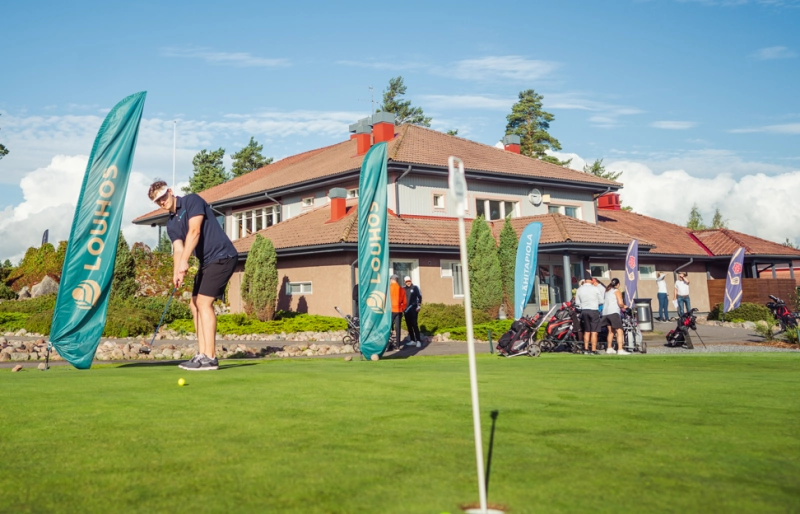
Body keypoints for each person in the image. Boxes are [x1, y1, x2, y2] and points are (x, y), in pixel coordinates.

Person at [148, 180, 238, 371]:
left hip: (223, 255)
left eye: (163, 196)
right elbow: (178, 250)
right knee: (194, 303)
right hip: (207, 262)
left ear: (170, 191)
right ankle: (202, 354)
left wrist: (185, 261)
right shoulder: (171, 224)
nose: (162, 201)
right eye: (158, 201)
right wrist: (176, 273)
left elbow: (195, 231)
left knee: (204, 303)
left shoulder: (192, 201)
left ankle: (211, 357)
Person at [575, 277, 604, 354]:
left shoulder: (579, 289)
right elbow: (601, 300)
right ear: (591, 281)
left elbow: (577, 302)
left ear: (584, 281)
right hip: (593, 310)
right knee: (594, 331)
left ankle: (586, 349)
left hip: (584, 311)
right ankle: (593, 350)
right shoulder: (595, 288)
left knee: (587, 331)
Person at [602, 278, 630, 355]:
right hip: (613, 312)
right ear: (618, 284)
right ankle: (620, 349)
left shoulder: (607, 291)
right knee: (619, 331)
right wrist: (625, 306)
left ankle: (609, 348)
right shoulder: (617, 291)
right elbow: (620, 303)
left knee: (611, 331)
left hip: (605, 313)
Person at [403, 276, 422, 347]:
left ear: (411, 281)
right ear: (405, 282)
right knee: (409, 325)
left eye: (409, 281)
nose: (408, 282)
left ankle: (418, 341)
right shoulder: (403, 289)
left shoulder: (415, 288)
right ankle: (413, 340)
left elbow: (419, 297)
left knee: (414, 324)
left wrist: (419, 306)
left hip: (414, 309)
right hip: (406, 310)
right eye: (406, 281)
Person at [389, 274, 407, 350]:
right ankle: (398, 345)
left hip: (391, 310)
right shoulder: (401, 289)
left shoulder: (389, 288)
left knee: (388, 327)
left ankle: (389, 344)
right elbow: (405, 302)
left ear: (392, 280)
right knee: (398, 328)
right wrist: (402, 308)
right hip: (399, 310)